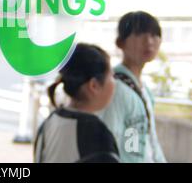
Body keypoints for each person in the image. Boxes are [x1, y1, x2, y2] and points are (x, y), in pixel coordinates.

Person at [100, 11, 167, 163]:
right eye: (139, 34)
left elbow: (150, 140)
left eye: (154, 34)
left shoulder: (144, 89)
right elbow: (110, 142)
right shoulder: (115, 88)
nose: (149, 41)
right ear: (120, 43)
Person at [34, 43, 119, 163]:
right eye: (111, 76)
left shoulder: (50, 122)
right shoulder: (95, 133)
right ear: (94, 86)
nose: (114, 82)